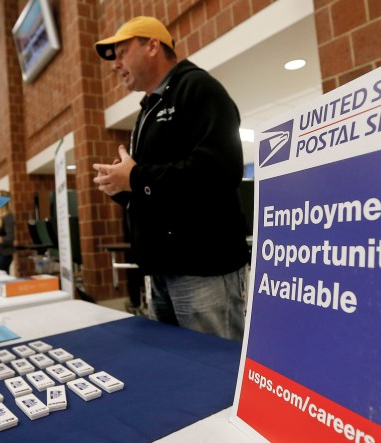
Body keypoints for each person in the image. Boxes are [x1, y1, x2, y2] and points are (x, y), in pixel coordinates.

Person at [92, 17, 249, 341]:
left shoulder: (198, 89)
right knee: (182, 373)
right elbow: (160, 190)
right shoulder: (148, 110)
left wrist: (135, 176)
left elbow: (221, 170)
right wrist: (124, 188)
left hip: (203, 269)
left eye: (121, 52)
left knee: (216, 373)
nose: (115, 65)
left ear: (152, 45)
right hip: (162, 272)